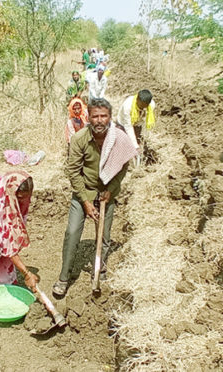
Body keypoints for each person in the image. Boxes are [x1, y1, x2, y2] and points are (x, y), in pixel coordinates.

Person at [52, 98, 137, 296]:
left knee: (104, 235)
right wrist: (86, 202)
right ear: (88, 117)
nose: (99, 120)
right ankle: (64, 277)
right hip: (84, 191)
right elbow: (73, 172)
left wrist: (112, 189)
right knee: (72, 233)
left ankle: (100, 269)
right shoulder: (79, 138)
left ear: (110, 117)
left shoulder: (119, 138)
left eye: (103, 116)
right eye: (95, 116)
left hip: (107, 192)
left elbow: (123, 166)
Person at [116, 89, 156, 163]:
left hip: (137, 123)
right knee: (121, 143)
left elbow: (146, 120)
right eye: (140, 106)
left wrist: (138, 144)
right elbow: (128, 127)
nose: (142, 108)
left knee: (136, 144)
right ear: (137, 99)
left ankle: (133, 163)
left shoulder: (151, 105)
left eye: (145, 106)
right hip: (122, 124)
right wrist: (135, 146)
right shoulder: (127, 106)